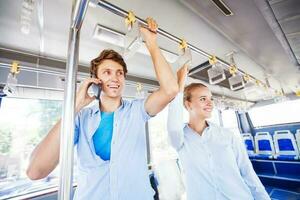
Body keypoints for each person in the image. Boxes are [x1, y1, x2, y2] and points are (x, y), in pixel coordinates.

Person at [26, 18, 179, 200]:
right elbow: (35, 171)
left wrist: (151, 43)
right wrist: (74, 107)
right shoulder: (80, 118)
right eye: (107, 72)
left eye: (119, 73)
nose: (115, 78)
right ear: (95, 79)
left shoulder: (137, 111)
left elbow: (171, 89)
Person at [167, 64, 270, 200]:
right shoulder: (180, 139)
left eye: (211, 99)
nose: (210, 103)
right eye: (203, 99)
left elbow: (247, 172)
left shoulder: (227, 136)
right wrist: (180, 82)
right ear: (188, 104)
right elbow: (173, 124)